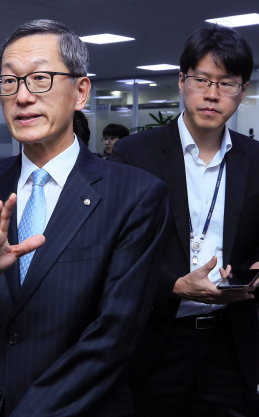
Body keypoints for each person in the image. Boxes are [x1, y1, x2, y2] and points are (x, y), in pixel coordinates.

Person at [0, 19, 169, 417]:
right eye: (10, 82)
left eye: (41, 79)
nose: (22, 97)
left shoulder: (135, 195)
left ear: (80, 91)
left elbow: (113, 335)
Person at [111, 25, 259, 417]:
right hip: (157, 342)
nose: (212, 94)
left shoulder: (256, 158)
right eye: (202, 80)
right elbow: (112, 250)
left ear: (242, 91)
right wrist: (173, 286)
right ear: (181, 81)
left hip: (232, 344)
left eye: (227, 84)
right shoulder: (135, 154)